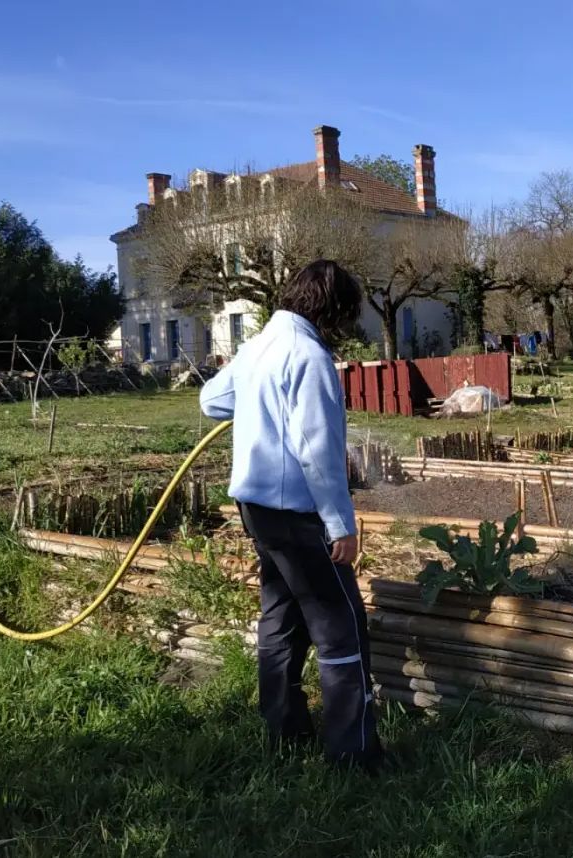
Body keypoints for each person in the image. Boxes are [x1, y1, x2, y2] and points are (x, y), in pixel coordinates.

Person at [199, 259, 382, 770]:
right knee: (340, 626)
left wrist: (257, 404)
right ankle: (354, 753)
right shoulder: (307, 354)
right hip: (298, 513)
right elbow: (317, 449)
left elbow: (212, 400)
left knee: (279, 618)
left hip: (256, 508)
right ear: (331, 308)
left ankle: (284, 730)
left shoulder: (258, 346)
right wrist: (341, 525)